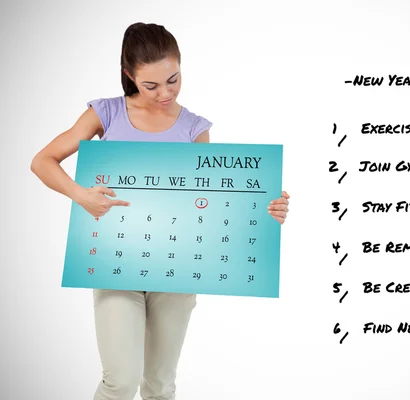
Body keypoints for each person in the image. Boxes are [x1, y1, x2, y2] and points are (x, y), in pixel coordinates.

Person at [30, 22, 290, 400]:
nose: (165, 93)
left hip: (178, 268)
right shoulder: (105, 113)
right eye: (151, 85)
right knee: (119, 381)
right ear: (129, 76)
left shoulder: (194, 128)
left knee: (159, 385)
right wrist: (81, 195)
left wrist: (264, 208)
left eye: (174, 79)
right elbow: (43, 161)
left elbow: (211, 205)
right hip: (115, 263)